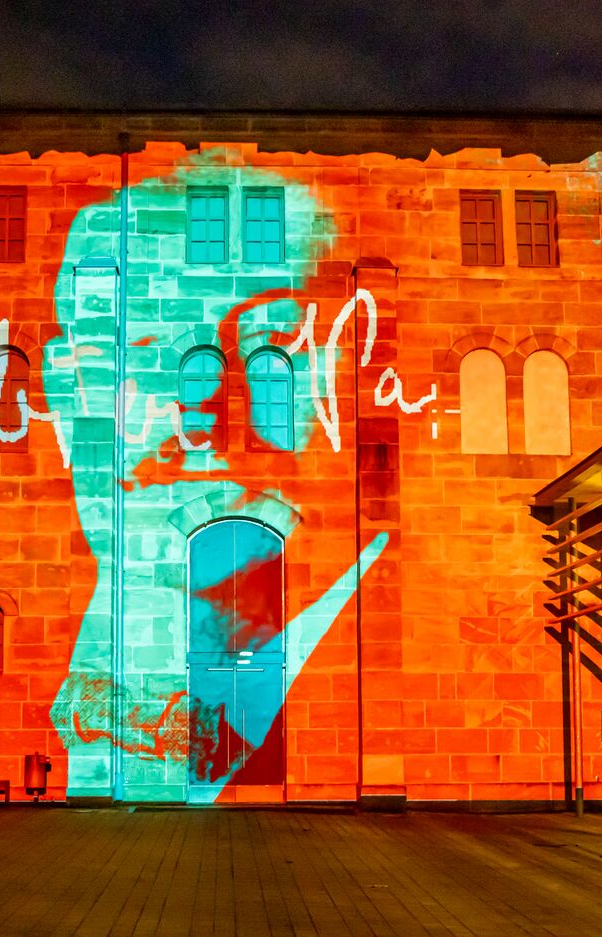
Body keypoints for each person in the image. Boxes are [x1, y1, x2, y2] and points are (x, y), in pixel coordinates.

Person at [41, 156, 387, 802]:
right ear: (68, 391)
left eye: (271, 370)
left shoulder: (358, 603)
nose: (218, 426)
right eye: (163, 370)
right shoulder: (100, 693)